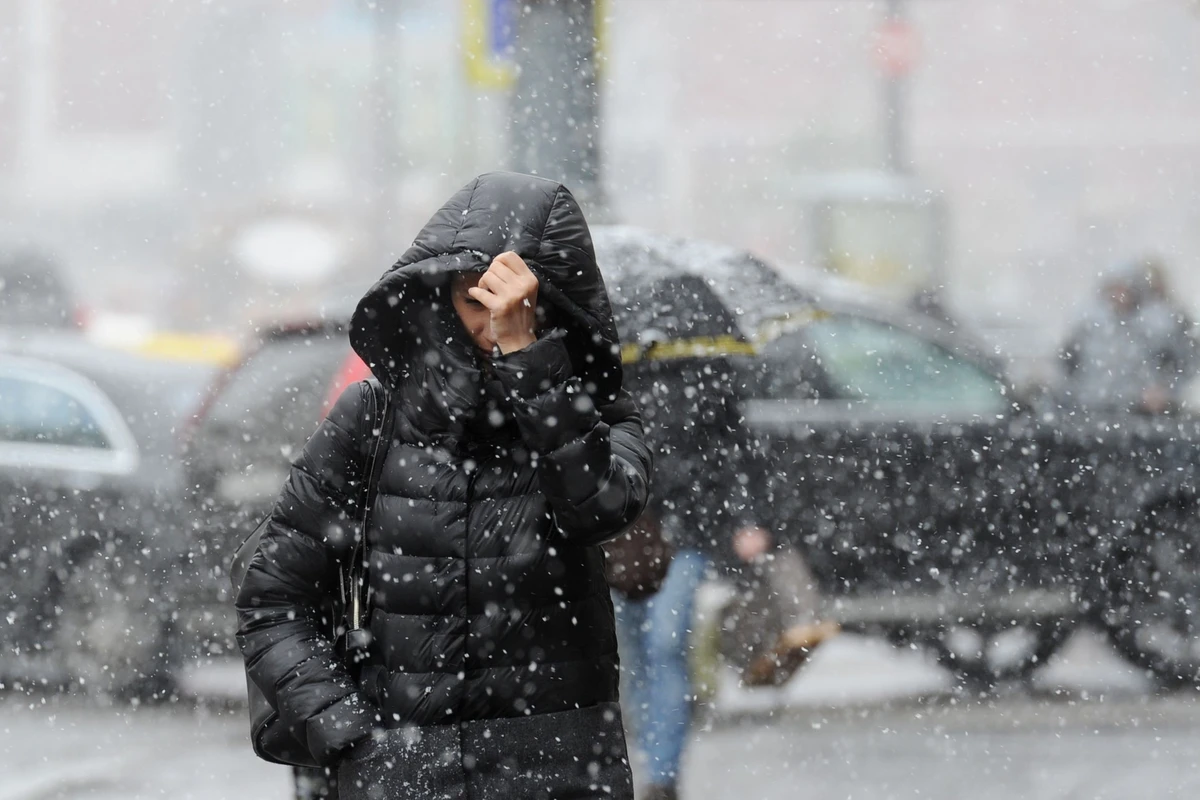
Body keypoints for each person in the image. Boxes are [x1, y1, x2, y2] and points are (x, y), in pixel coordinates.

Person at [236, 172, 652, 799]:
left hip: (559, 772)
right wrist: (347, 733)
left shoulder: (597, 418)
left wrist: (529, 362)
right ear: (438, 299)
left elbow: (597, 511)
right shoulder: (371, 419)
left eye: (516, 303)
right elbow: (272, 597)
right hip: (401, 769)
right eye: (475, 299)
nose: (493, 323)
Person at [614, 353, 832, 800]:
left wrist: (749, 517)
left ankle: (662, 776)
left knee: (665, 644)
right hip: (618, 533)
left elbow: (739, 447)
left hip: (684, 531)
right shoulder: (604, 365)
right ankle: (647, 761)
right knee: (635, 651)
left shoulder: (703, 371)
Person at [1060, 257, 1197, 414]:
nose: (1120, 296)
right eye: (1115, 289)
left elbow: (1184, 363)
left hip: (1140, 413)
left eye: (1125, 289)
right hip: (1091, 409)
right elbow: (1066, 364)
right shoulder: (1088, 325)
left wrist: (1166, 390)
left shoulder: (1159, 325)